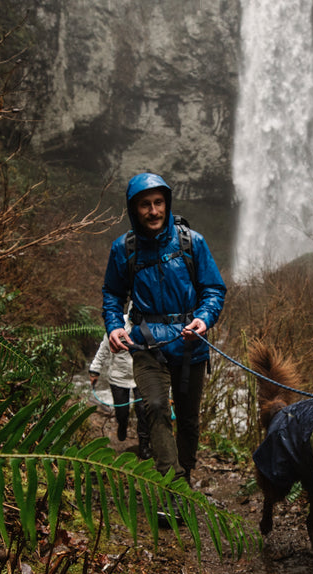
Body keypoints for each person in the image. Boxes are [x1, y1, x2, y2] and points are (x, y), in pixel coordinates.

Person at [101, 172, 227, 495]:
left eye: (158, 203)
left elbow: (213, 289)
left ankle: (184, 475)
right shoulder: (123, 249)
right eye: (145, 205)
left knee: (188, 420)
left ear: (167, 203)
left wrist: (203, 319)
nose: (153, 211)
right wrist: (114, 325)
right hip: (146, 344)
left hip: (190, 345)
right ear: (134, 209)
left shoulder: (191, 243)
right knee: (154, 407)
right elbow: (112, 295)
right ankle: (171, 486)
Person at [87, 314, 152, 459]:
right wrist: (94, 370)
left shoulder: (152, 322)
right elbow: (104, 348)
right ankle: (122, 424)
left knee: (143, 411)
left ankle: (144, 446)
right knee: (122, 411)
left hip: (142, 375)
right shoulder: (117, 322)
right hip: (118, 376)